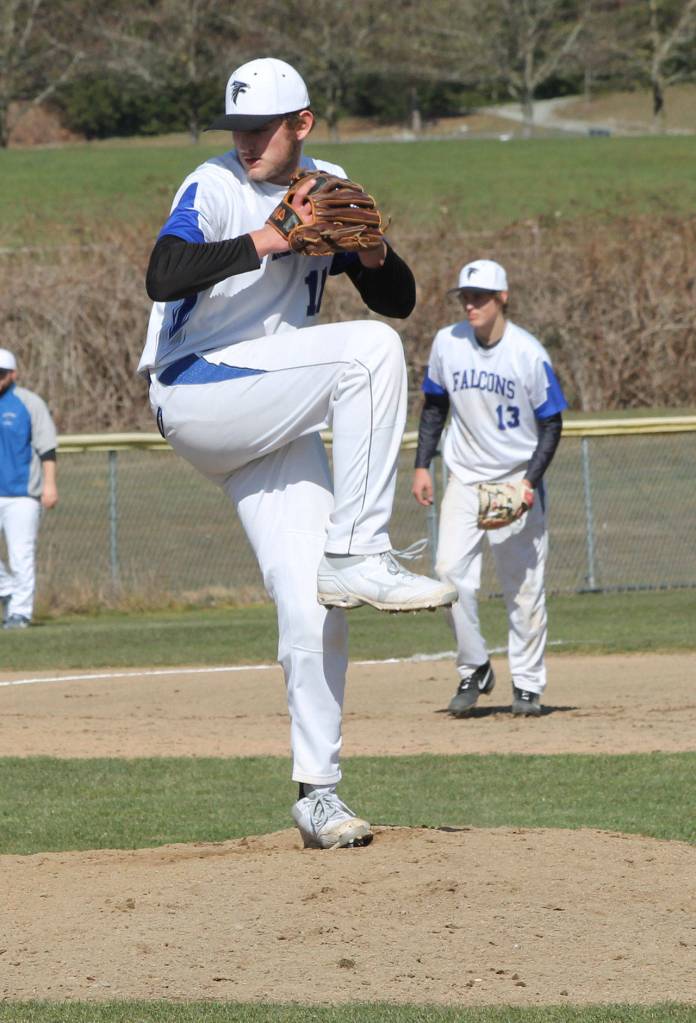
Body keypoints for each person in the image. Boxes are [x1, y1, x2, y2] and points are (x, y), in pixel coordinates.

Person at [140, 57, 455, 850]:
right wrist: (271, 235)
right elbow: (161, 273)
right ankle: (362, 546)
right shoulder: (213, 186)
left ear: (303, 125)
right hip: (198, 392)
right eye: (236, 127)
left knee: (314, 602)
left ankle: (319, 791)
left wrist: (373, 252)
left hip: (272, 418)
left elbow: (400, 298)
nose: (244, 141)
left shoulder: (328, 184)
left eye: (261, 128)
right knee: (368, 355)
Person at [412, 259, 567, 717]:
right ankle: (475, 667)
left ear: (503, 299)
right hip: (464, 475)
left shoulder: (527, 354)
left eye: (479, 296)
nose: (470, 303)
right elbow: (434, 406)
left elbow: (552, 423)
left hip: (515, 478)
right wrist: (422, 464)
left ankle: (528, 685)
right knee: (447, 575)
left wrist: (528, 483)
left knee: (523, 588)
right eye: (465, 295)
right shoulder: (448, 342)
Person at [0, 348, 58, 629]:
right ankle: (7, 589)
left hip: (22, 494)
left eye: (0, 374)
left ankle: (20, 613)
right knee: (15, 562)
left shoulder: (28, 403)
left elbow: (47, 448)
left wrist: (49, 485)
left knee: (21, 554)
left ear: (13, 374)